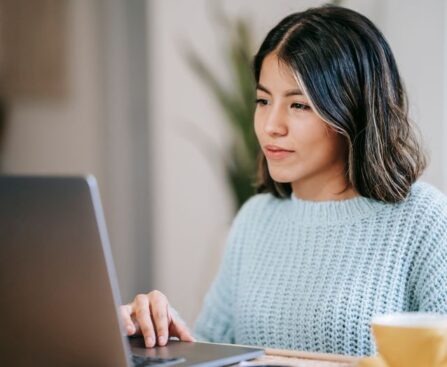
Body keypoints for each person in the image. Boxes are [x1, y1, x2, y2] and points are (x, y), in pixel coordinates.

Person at [120, 5, 447, 356]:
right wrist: (155, 334)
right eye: (263, 100)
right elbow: (210, 349)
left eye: (299, 105)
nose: (271, 125)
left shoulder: (421, 218)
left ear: (352, 109)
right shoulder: (255, 218)